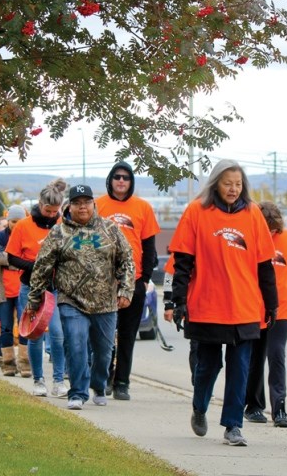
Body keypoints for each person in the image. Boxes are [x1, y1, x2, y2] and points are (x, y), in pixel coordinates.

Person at [164, 159, 278, 447]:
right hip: (207, 305)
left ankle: (233, 425)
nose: (233, 189)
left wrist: (271, 303)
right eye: (228, 183)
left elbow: (265, 264)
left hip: (244, 306)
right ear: (215, 183)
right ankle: (200, 407)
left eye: (238, 184)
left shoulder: (253, 214)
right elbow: (182, 262)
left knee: (240, 368)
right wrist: (178, 301)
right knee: (208, 365)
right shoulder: (196, 211)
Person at [27, 184, 135, 410]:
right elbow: (42, 266)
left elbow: (126, 260)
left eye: (86, 202)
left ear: (94, 204)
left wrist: (126, 289)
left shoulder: (110, 229)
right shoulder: (59, 232)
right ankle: (77, 392)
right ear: (69, 206)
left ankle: (98, 384)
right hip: (71, 301)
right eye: (77, 203)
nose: (82, 207)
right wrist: (35, 298)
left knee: (104, 352)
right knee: (76, 344)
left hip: (106, 303)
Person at [96, 161, 160, 401]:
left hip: (132, 281)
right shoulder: (98, 205)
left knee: (127, 334)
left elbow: (150, 248)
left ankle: (122, 382)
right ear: (110, 180)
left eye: (126, 177)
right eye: (117, 177)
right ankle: (105, 377)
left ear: (131, 182)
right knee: (104, 334)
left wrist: (144, 279)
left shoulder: (143, 207)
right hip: (103, 280)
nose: (121, 181)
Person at [244, 201, 287, 428]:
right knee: (255, 357)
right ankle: (253, 405)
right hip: (254, 308)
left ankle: (279, 407)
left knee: (277, 354)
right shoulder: (249, 240)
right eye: (266, 229)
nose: (270, 233)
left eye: (273, 229)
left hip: (281, 308)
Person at [6, 179, 68, 396]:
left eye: (55, 211)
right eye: (48, 210)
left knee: (58, 334)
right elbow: (12, 257)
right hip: (30, 287)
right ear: (40, 204)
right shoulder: (24, 226)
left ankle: (59, 379)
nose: (51, 214)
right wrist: (36, 267)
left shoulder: (63, 225)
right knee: (35, 334)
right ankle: (38, 379)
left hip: (56, 288)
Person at [0, 204, 27, 375]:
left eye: (19, 221)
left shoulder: (27, 235)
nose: (16, 225)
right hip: (3, 288)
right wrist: (20, 261)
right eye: (13, 221)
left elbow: (32, 255)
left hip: (23, 288)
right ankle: (8, 362)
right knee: (5, 326)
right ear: (8, 221)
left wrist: (10, 259)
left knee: (24, 325)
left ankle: (25, 362)